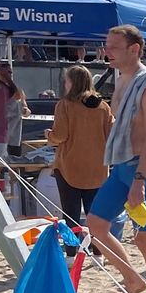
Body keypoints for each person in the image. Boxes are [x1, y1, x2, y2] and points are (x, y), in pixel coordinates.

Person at [87, 25, 146, 293]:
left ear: (134, 49)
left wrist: (139, 180)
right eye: (106, 45)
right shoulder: (120, 79)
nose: (106, 52)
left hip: (145, 167)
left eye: (113, 47)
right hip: (123, 163)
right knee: (96, 225)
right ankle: (133, 279)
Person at [47, 65, 114, 235]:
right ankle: (98, 248)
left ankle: (72, 249)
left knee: (71, 216)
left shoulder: (65, 105)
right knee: (96, 216)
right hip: (97, 169)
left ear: (71, 82)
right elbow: (111, 136)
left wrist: (49, 135)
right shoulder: (103, 107)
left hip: (70, 168)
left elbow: (60, 135)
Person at [0, 60, 29, 157]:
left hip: (15, 137)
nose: (9, 74)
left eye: (10, 72)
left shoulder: (17, 89)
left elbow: (24, 106)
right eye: (7, 72)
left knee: (14, 161)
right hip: (0, 135)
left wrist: (25, 110)